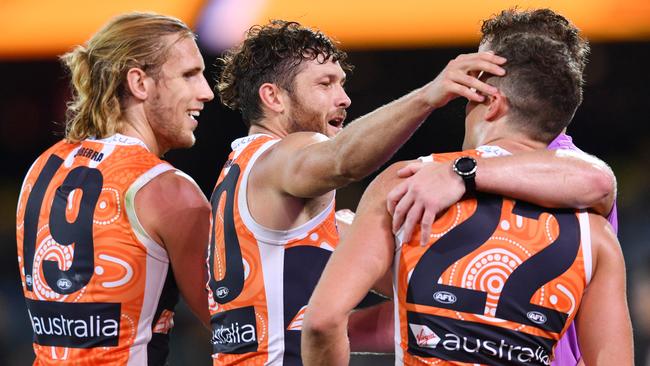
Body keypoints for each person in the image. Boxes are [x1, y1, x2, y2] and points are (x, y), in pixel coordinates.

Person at [207, 20, 615, 365]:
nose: (344, 98)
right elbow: (343, 160)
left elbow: (412, 308)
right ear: (273, 97)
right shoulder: (286, 156)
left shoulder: (238, 172)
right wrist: (428, 96)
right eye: (326, 84)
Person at [385, 9, 618, 366]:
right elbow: (452, 304)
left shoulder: (563, 162)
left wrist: (460, 172)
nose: (471, 83)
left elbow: (598, 181)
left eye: (483, 68)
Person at [15, 12, 214, 365]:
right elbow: (232, 322)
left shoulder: (42, 166)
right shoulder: (169, 191)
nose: (207, 92)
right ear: (139, 83)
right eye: (189, 75)